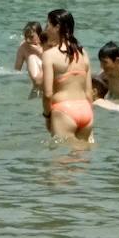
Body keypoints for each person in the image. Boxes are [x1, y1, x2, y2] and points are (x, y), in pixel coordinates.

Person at [41, 8, 95, 143]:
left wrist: (47, 117)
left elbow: (47, 94)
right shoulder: (84, 53)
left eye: (48, 25)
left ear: (57, 27)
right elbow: (89, 93)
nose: (46, 29)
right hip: (85, 110)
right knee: (82, 160)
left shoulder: (49, 55)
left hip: (64, 111)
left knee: (61, 160)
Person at [14, 21, 45, 92]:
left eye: (31, 37)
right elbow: (17, 70)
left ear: (40, 35)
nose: (27, 40)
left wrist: (38, 51)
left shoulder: (46, 44)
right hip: (33, 77)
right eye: (25, 37)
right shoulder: (23, 47)